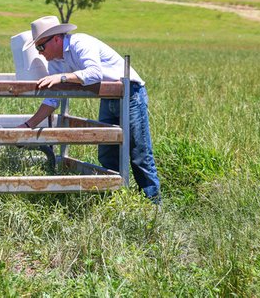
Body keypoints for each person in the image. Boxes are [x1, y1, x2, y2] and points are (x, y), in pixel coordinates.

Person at [18, 15, 161, 202]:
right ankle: (117, 199)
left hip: (131, 94)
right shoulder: (55, 62)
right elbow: (53, 100)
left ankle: (153, 206)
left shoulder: (80, 43)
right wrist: (28, 126)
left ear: (56, 39)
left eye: (41, 47)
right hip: (109, 96)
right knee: (107, 152)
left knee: (139, 152)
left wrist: (63, 78)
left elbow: (94, 73)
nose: (39, 52)